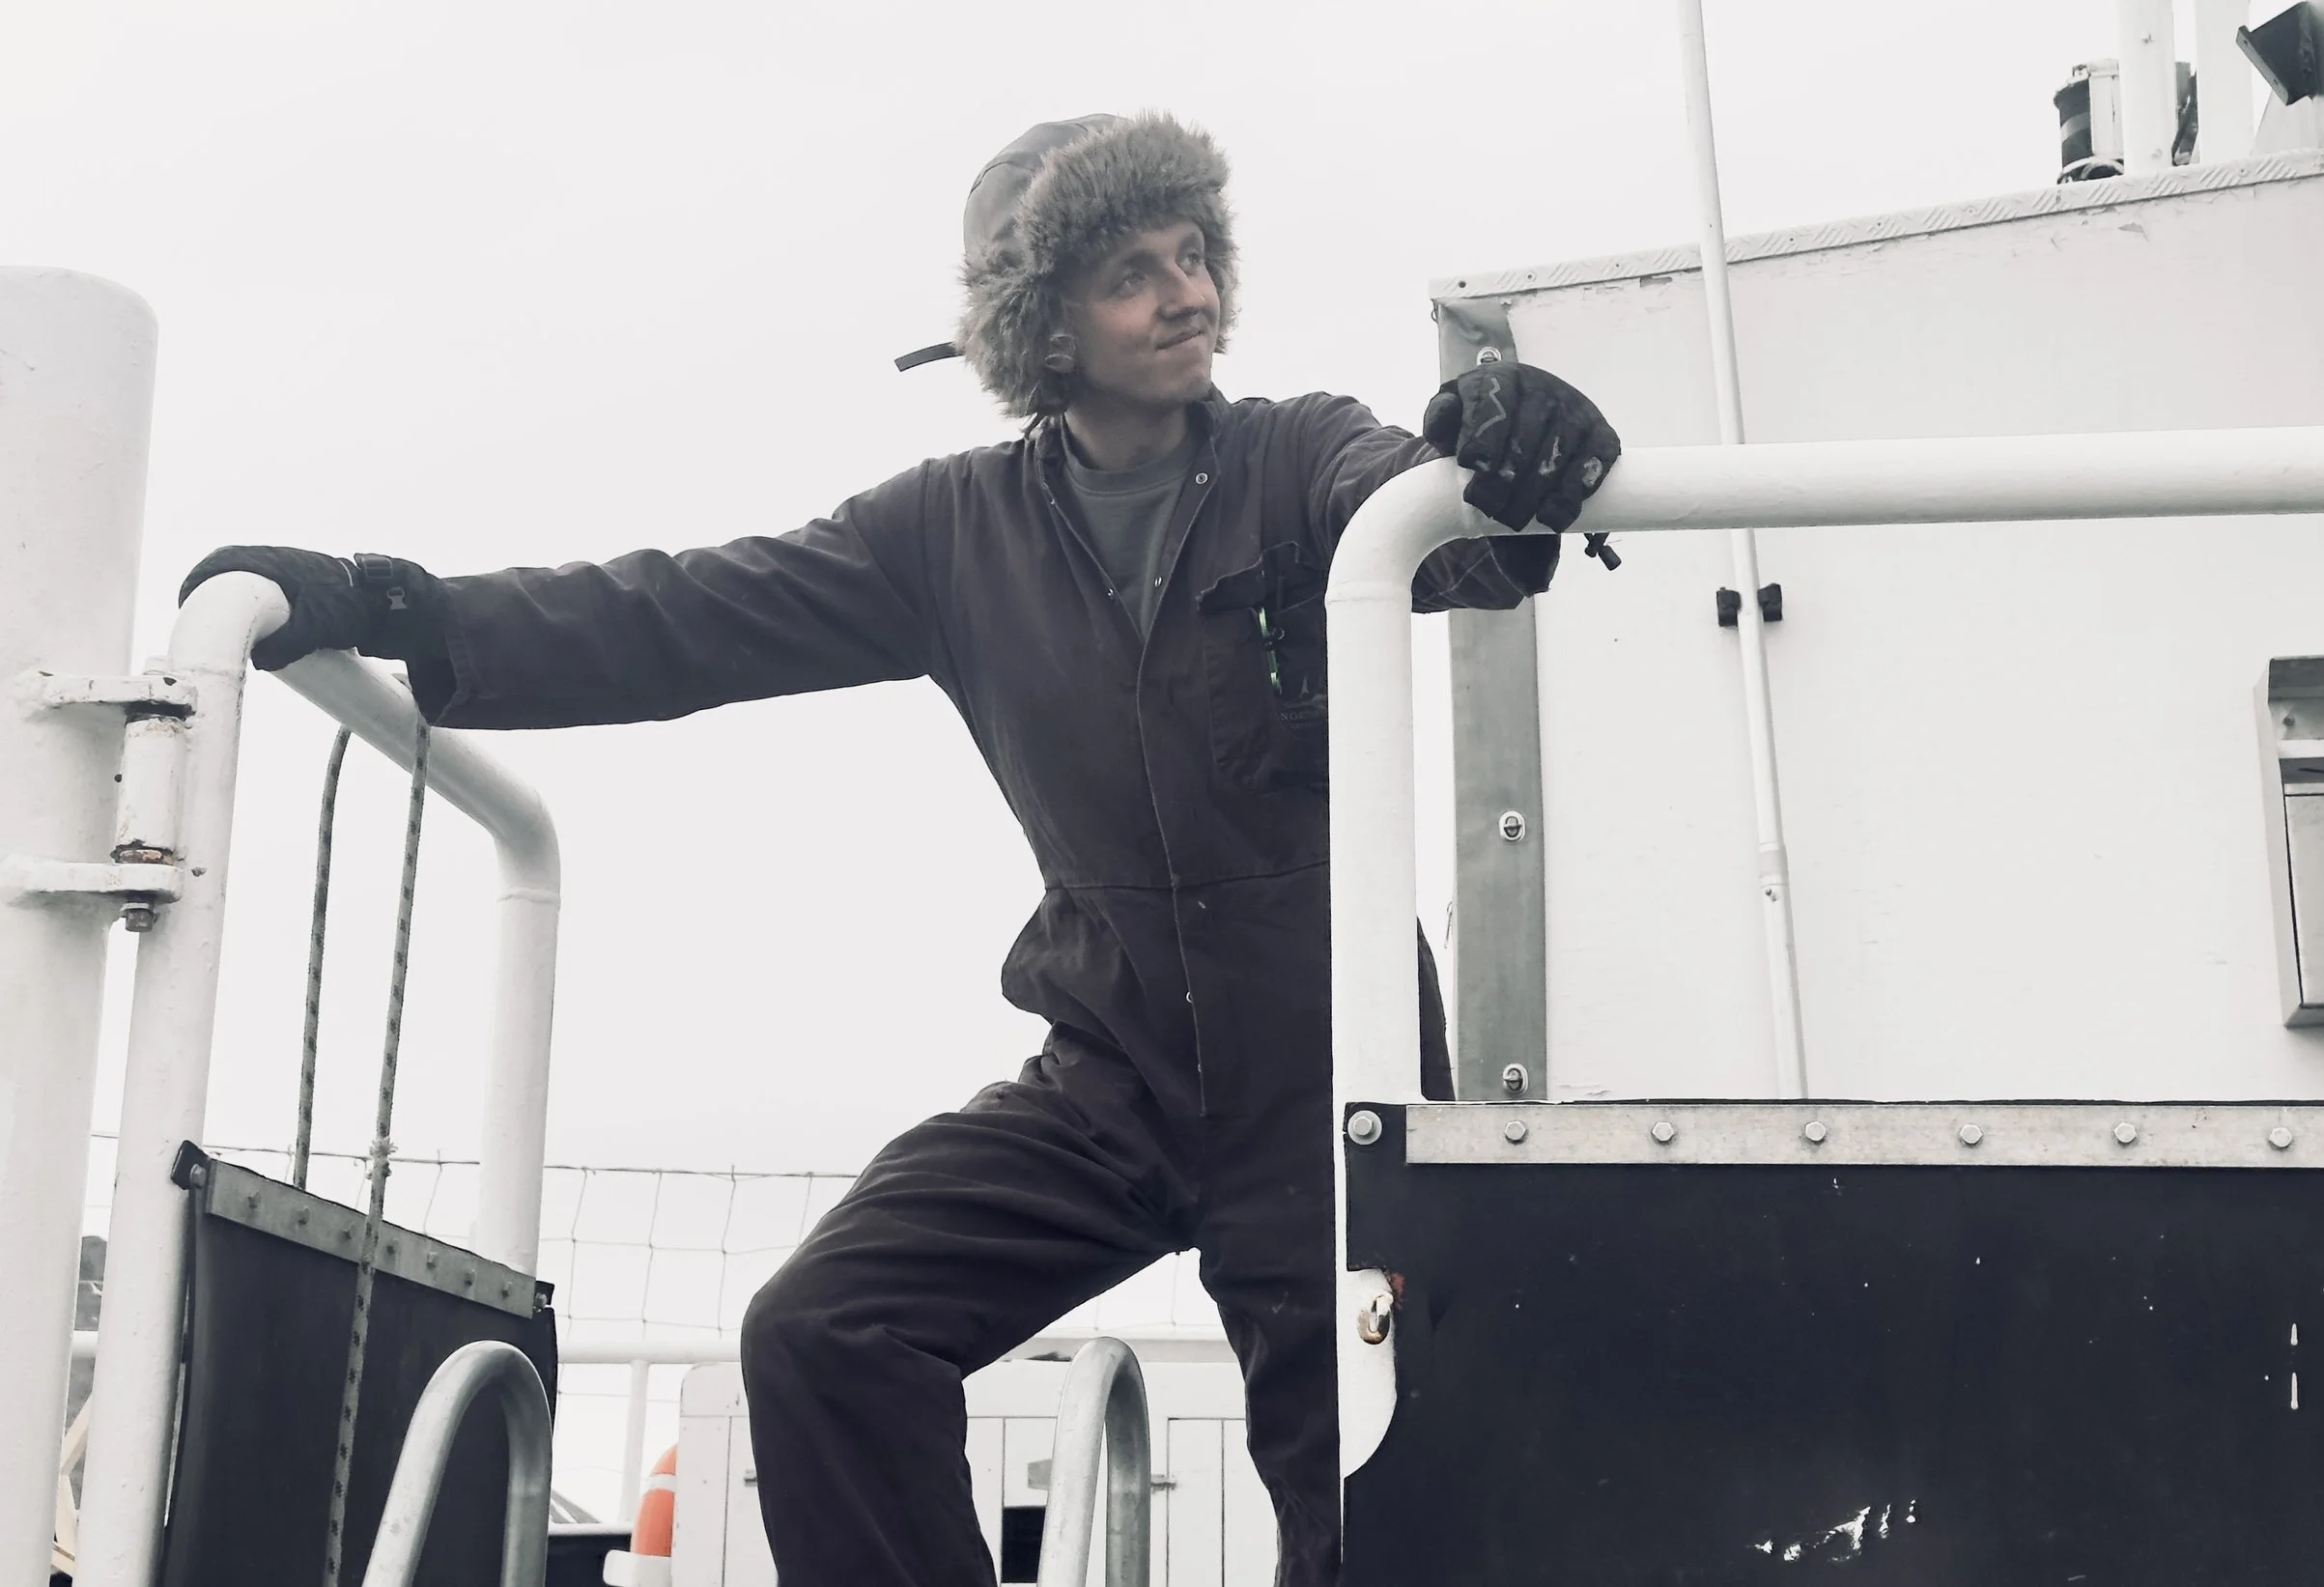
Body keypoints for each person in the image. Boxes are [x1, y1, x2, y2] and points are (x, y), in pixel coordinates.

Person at [182, 113, 1620, 1585]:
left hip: (1328, 1071)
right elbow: (681, 612)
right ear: (1041, 327)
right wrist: (397, 605)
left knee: (1372, 1485)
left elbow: (1429, 526)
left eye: (1195, 255)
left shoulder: (1292, 454)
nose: (1186, 293)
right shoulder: (949, 530)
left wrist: (1504, 458)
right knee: (826, 1329)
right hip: (1110, 1065)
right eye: (1133, 271)